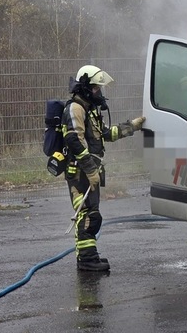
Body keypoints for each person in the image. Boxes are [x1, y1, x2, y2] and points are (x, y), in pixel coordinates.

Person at [63, 64, 146, 272]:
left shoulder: (89, 110)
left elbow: (106, 134)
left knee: (92, 212)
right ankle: (87, 260)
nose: (98, 92)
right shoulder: (75, 108)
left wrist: (132, 126)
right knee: (87, 213)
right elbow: (73, 140)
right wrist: (90, 170)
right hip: (79, 172)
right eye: (95, 88)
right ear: (84, 87)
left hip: (89, 170)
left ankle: (89, 256)